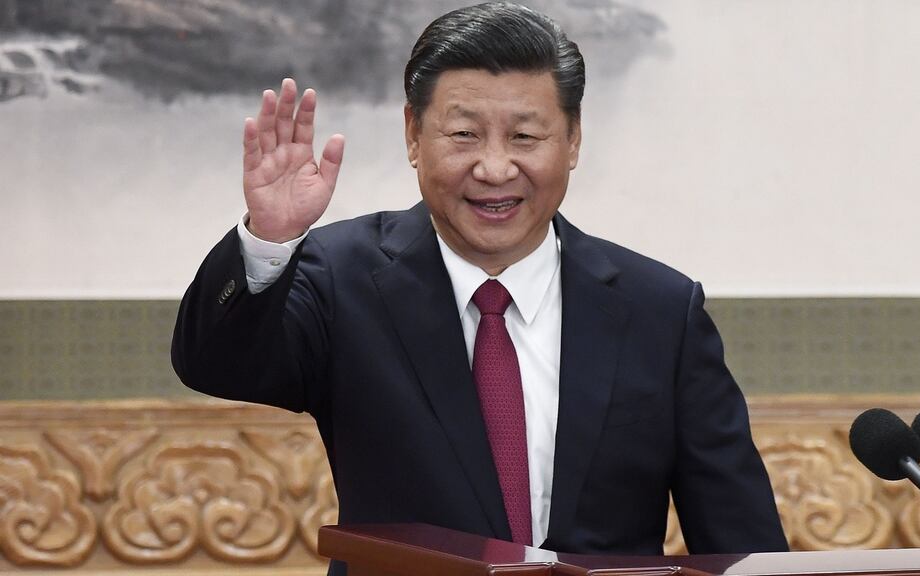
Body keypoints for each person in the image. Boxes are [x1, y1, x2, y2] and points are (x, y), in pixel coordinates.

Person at [172, 2, 788, 573]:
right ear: (413, 135)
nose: (495, 168)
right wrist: (270, 238)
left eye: (525, 137)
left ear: (572, 140)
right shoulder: (342, 277)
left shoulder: (660, 310)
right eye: (463, 134)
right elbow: (217, 365)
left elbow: (741, 544)